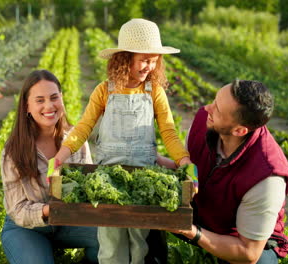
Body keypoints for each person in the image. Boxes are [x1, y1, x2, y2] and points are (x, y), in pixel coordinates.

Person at [54, 18, 191, 264]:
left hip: (143, 178)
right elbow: (83, 127)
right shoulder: (104, 90)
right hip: (109, 179)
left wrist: (183, 160)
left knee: (140, 242)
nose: (149, 66)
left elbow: (168, 131)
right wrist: (62, 155)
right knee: (110, 241)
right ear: (124, 57)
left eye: (153, 61)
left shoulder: (154, 92)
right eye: (143, 60)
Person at [170, 80, 288, 264]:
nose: (207, 108)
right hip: (203, 211)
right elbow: (186, 171)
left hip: (236, 237)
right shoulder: (204, 122)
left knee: (260, 262)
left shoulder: (267, 177)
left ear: (239, 130)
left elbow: (248, 253)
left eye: (217, 109)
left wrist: (191, 231)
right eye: (214, 100)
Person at [0, 69, 99, 264]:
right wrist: (50, 209)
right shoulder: (14, 151)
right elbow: (18, 209)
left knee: (115, 240)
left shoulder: (75, 140)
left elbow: (88, 186)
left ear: (61, 99)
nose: (49, 106)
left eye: (54, 97)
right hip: (27, 228)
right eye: (39, 100)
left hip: (69, 223)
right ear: (27, 106)